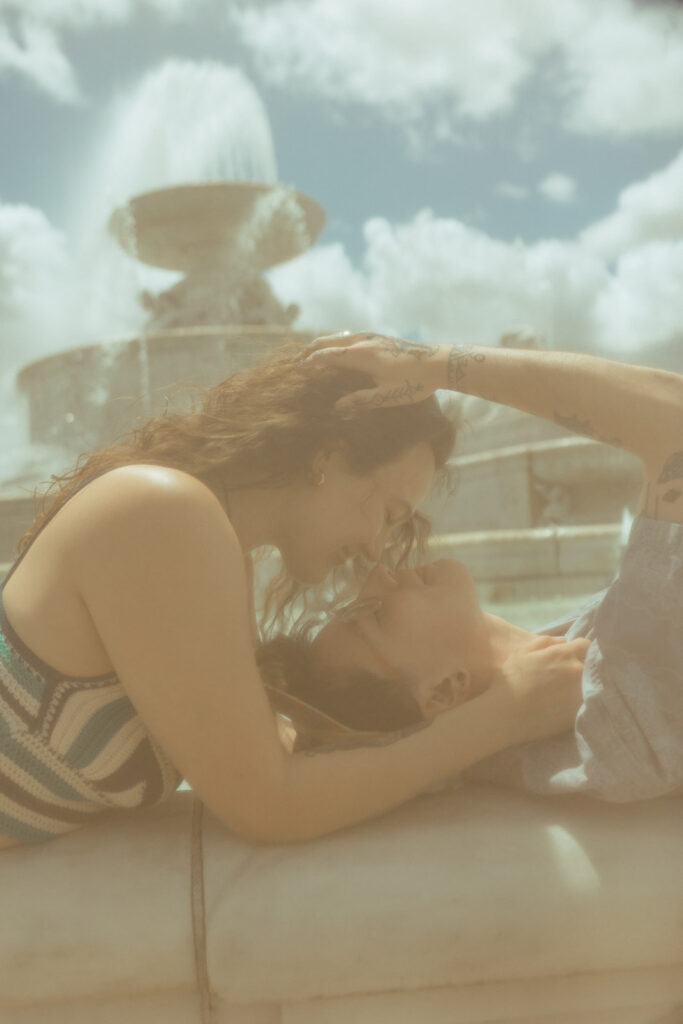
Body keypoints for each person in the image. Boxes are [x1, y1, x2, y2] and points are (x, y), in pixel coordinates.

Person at [0, 344, 585, 849]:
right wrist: (500, 718)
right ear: (326, 460)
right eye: (387, 514)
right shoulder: (164, 512)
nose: (377, 553)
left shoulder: (212, 549)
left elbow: (277, 757)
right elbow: (265, 806)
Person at [260, 332, 683, 802]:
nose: (376, 572)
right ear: (443, 692)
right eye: (374, 614)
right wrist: (438, 365)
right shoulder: (614, 714)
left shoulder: (585, 668)